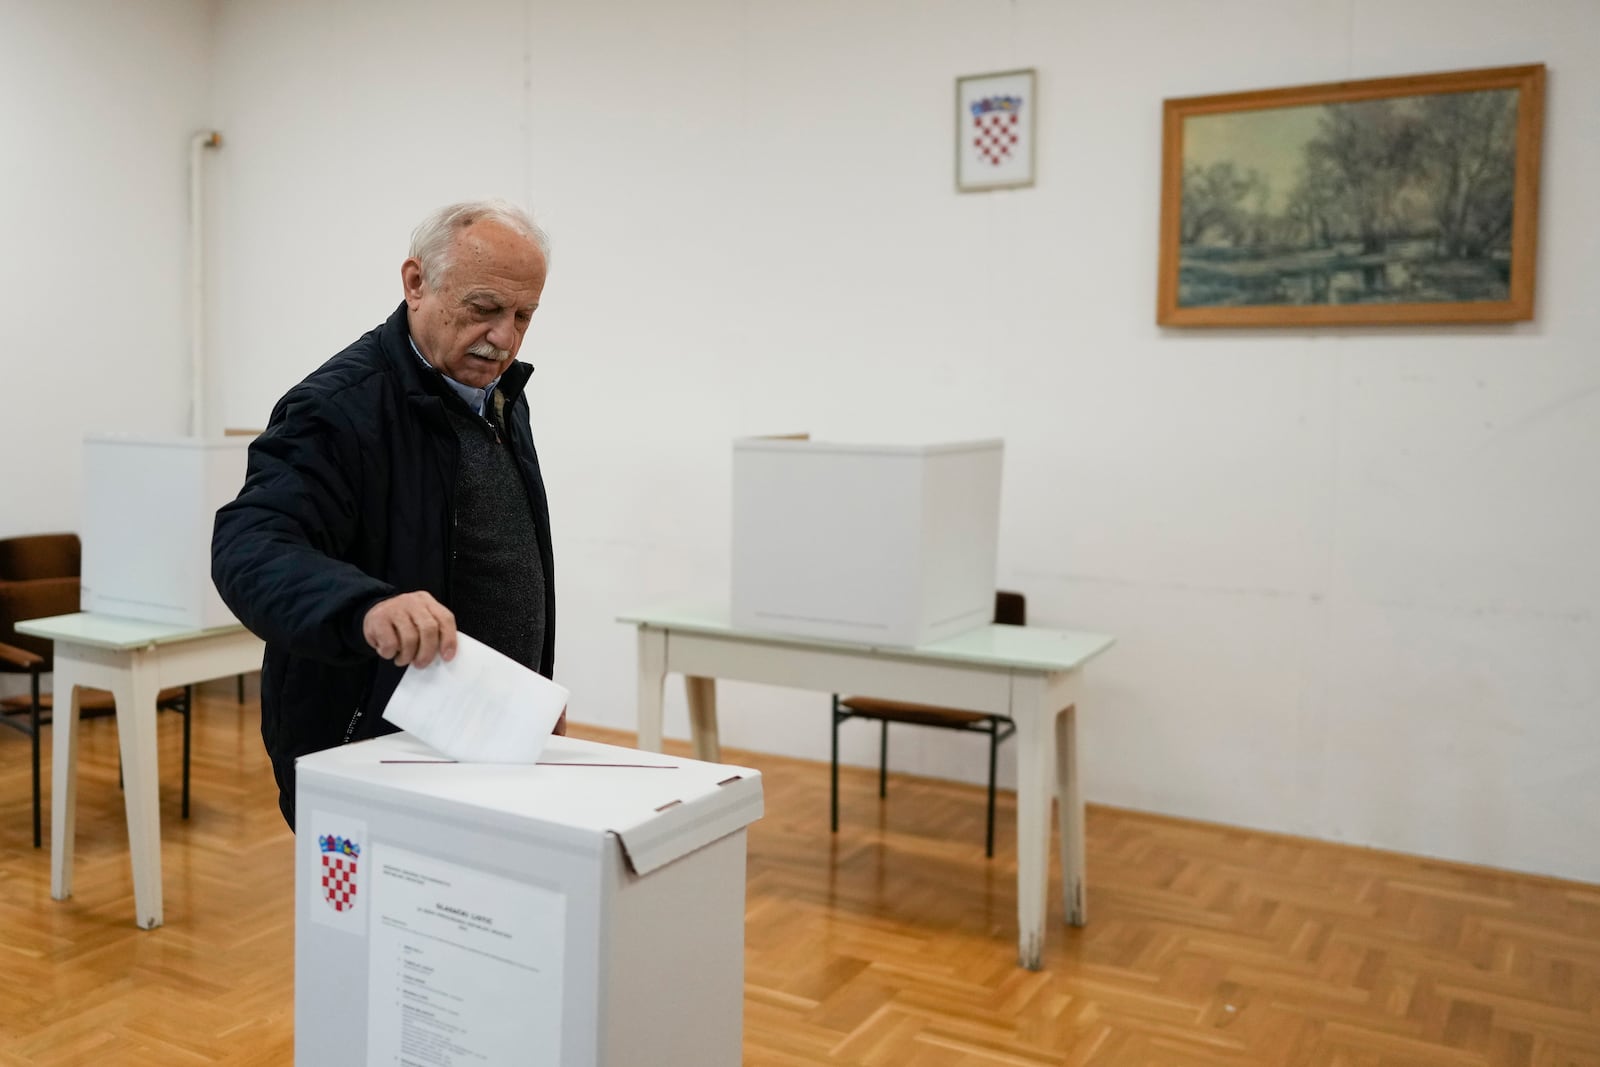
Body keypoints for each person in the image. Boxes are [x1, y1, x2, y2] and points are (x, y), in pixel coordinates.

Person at [212, 199, 560, 829]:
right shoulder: (337, 407)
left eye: (523, 316)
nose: (504, 337)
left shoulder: (498, 395)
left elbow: (497, 567)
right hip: (371, 756)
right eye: (484, 308)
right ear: (416, 282)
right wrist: (365, 605)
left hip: (483, 739)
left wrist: (529, 699)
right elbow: (250, 544)